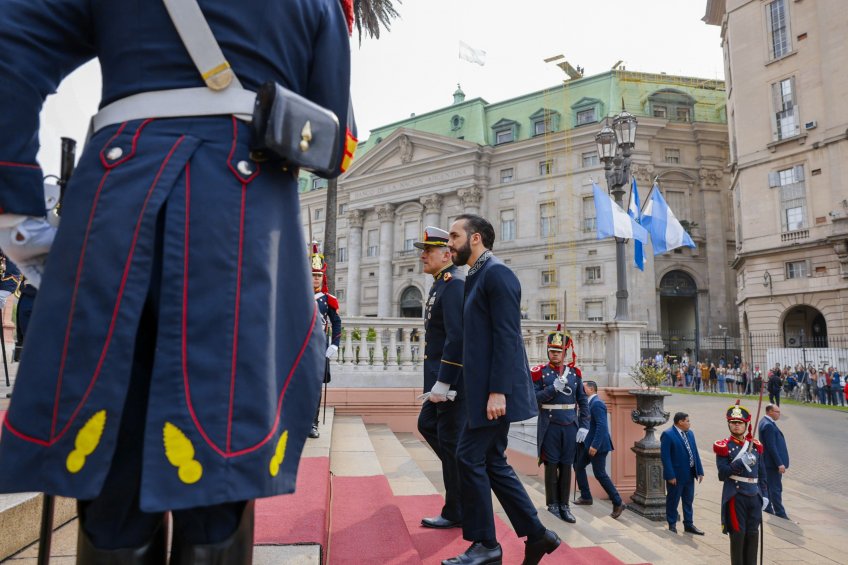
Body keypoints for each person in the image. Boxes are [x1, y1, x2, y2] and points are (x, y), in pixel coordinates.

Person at [0, 0, 355, 561]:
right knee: (220, 472)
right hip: (243, 223)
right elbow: (335, 139)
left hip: (117, 208)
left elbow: (10, 43)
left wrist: (15, 212)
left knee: (108, 468)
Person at [443, 214, 560, 565]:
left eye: (453, 235)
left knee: (467, 456)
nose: (449, 243)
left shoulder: (498, 274)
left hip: (495, 394)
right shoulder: (475, 276)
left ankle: (486, 544)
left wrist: (497, 391)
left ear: (475, 238)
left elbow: (508, 338)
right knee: (492, 461)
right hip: (482, 392)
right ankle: (538, 536)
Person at [414, 226, 466, 530]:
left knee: (449, 443)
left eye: (428, 250)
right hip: (438, 380)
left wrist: (444, 382)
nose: (423, 255)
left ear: (446, 254)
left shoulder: (453, 284)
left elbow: (455, 338)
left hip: (449, 384)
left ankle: (456, 507)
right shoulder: (440, 283)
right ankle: (461, 491)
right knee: (431, 429)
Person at [531, 326, 589, 523]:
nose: (555, 354)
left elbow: (582, 400)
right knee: (551, 464)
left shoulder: (574, 374)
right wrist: (553, 389)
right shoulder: (540, 373)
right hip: (550, 424)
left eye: (559, 351)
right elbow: (534, 398)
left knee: (566, 465)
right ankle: (552, 503)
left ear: (565, 352)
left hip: (570, 423)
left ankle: (564, 505)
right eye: (552, 351)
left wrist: (584, 425)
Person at [714, 402, 769, 565]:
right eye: (733, 423)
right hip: (736, 495)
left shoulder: (756, 446)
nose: (736, 426)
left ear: (746, 425)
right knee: (738, 535)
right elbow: (722, 474)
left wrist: (764, 495)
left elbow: (762, 474)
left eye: (740, 423)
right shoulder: (724, 446)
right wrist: (740, 463)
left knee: (753, 535)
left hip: (754, 495)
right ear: (729, 424)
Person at [573, 380, 627, 519]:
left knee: (600, 474)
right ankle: (586, 496)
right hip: (588, 444)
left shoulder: (597, 404)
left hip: (597, 446)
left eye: (583, 387)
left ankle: (618, 502)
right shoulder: (588, 403)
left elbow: (602, 427)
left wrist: (594, 446)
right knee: (579, 466)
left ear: (591, 389)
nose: (581, 389)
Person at [309, 243, 342, 439]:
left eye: (318, 275)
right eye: (313, 275)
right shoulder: (299, 295)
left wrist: (334, 345)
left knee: (315, 386)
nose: (315, 278)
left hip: (318, 347)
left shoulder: (327, 299)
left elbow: (336, 323)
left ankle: (312, 424)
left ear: (323, 277)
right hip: (300, 346)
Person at [660, 412, 704, 534]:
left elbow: (694, 452)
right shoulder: (668, 435)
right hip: (676, 476)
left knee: (688, 500)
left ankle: (689, 524)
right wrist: (670, 475)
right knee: (673, 500)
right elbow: (665, 457)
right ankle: (672, 524)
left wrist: (699, 471)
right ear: (680, 422)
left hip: (689, 474)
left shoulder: (690, 434)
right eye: (687, 421)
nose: (689, 423)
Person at [758, 404, 789, 519]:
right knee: (775, 488)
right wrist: (779, 463)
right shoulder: (768, 425)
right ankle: (780, 513)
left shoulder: (765, 422)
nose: (779, 414)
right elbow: (771, 447)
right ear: (770, 411)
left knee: (770, 486)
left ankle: (768, 508)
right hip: (772, 464)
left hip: (769, 463)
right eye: (777, 412)